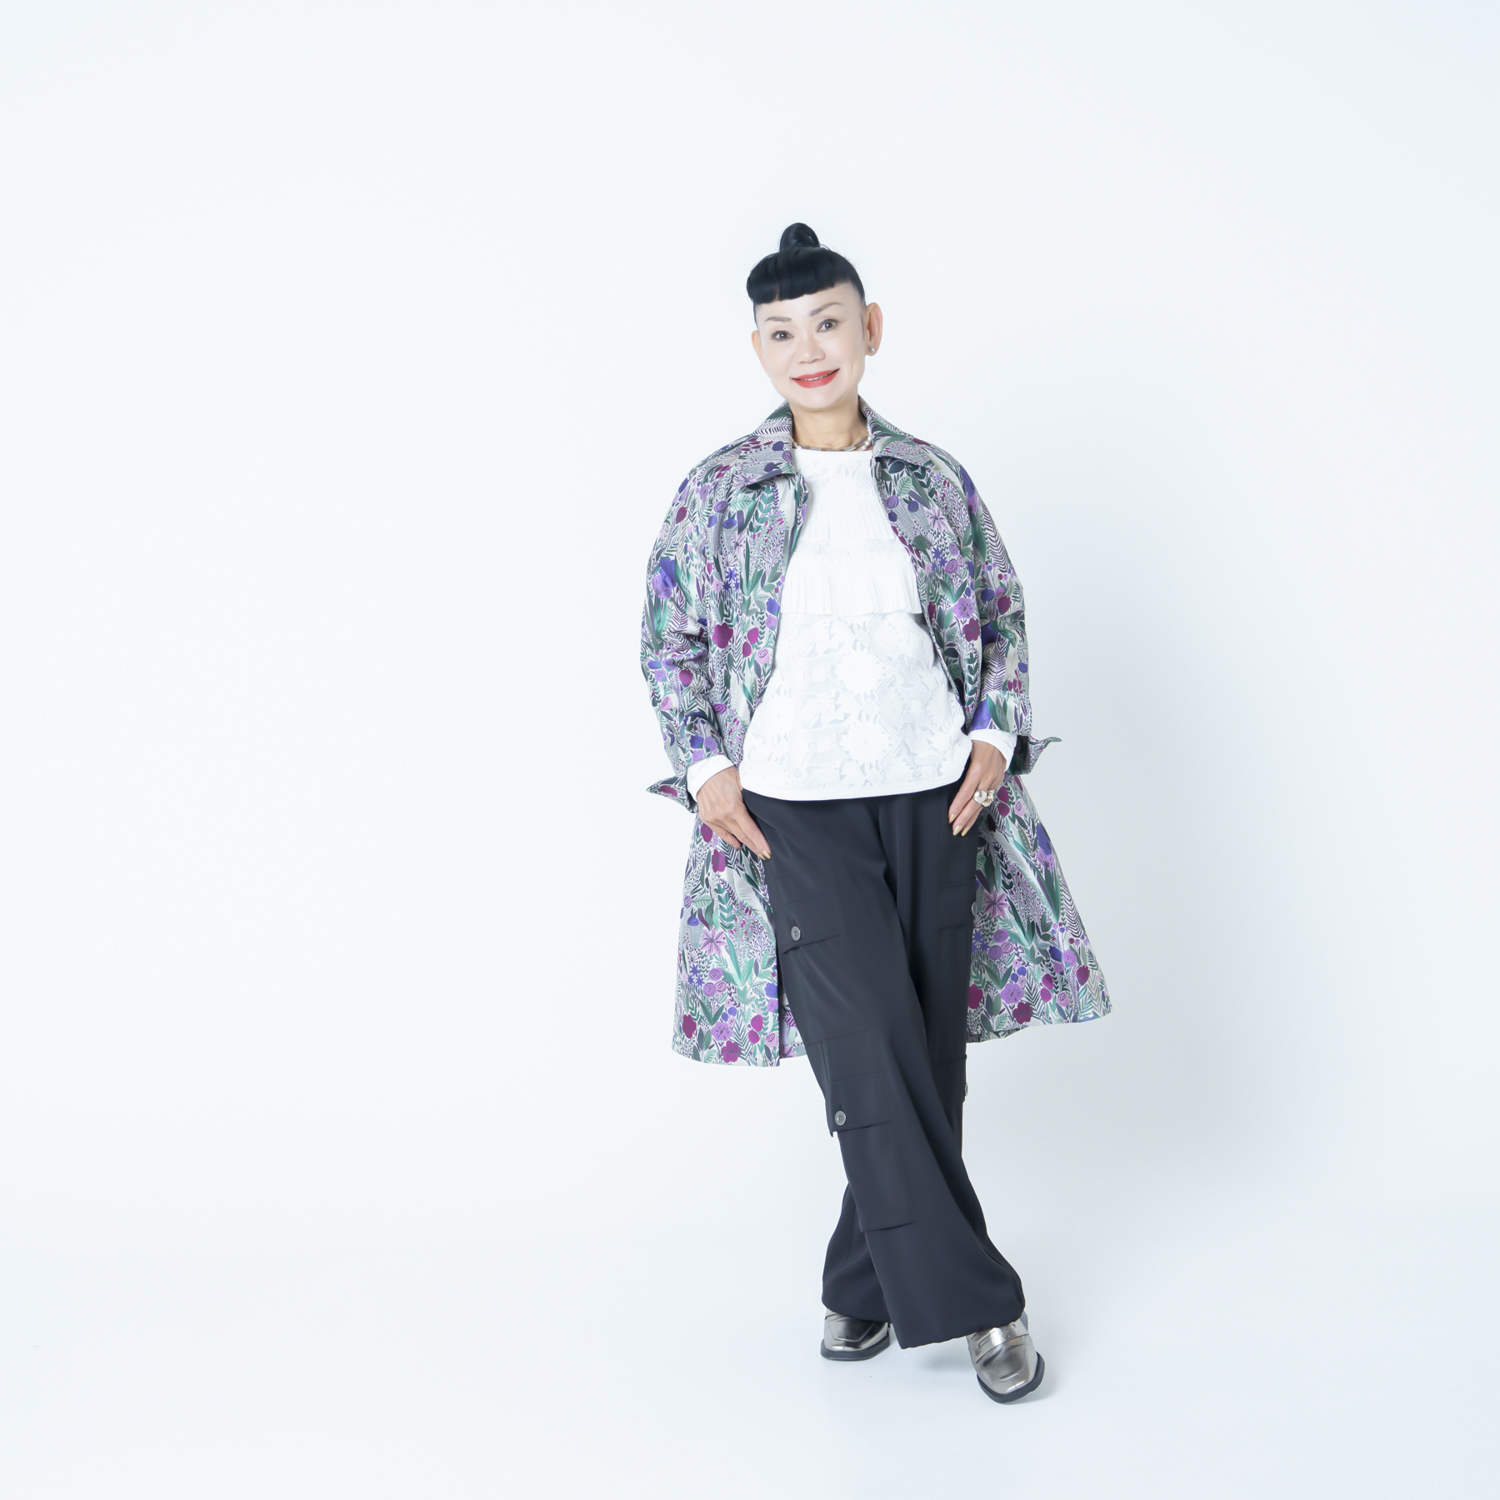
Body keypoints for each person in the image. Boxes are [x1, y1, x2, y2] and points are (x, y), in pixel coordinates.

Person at [639, 223, 1110, 1403]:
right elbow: (670, 634)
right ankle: (981, 1305)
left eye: (829, 323)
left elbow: (1000, 612)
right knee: (868, 1047)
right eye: (782, 333)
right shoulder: (719, 490)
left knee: (924, 1059)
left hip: (935, 793)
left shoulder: (933, 480)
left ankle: (862, 1281)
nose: (809, 349)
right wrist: (705, 767)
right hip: (792, 806)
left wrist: (994, 738)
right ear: (758, 349)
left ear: (871, 330)